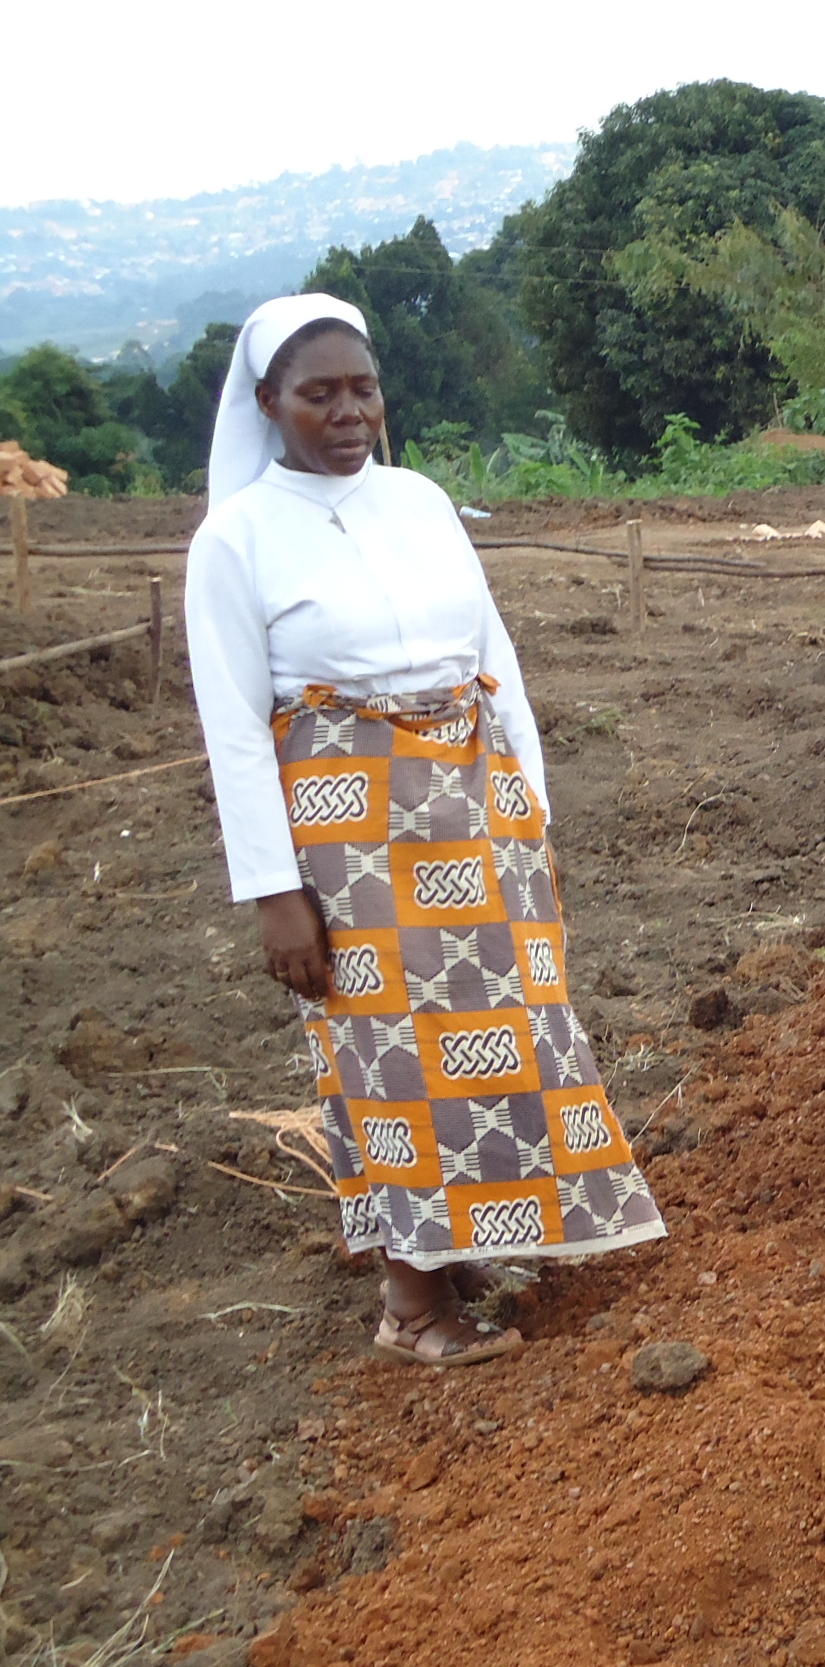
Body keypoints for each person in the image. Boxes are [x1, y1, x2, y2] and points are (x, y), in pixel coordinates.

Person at [186, 295, 665, 1366]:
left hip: (473, 802)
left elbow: (494, 660)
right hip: (350, 836)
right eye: (318, 393)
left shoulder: (420, 500)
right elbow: (233, 728)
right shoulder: (237, 540)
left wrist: (528, 806)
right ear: (269, 404)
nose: (347, 412)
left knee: (510, 1026)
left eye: (362, 388)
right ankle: (413, 1306)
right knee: (396, 1053)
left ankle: (465, 1245)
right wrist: (274, 892)